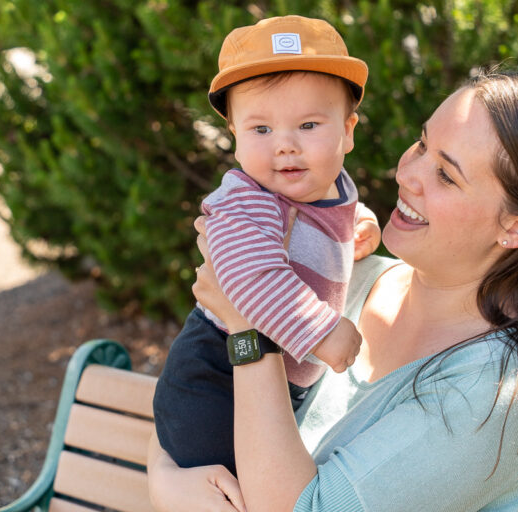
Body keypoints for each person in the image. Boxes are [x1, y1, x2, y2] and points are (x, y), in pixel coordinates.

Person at [149, 69, 518, 512]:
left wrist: (249, 329)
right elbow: (196, 396)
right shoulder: (348, 282)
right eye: (421, 144)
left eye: (446, 175)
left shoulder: (490, 397)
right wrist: (167, 482)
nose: (406, 173)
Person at [152, 15, 382, 477]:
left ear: (348, 131)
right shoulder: (246, 200)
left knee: (271, 474)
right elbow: (251, 276)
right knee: (243, 487)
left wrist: (361, 221)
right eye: (260, 130)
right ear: (234, 137)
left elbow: (331, 215)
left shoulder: (329, 185)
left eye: (309, 124)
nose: (285, 146)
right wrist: (320, 330)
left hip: (277, 375)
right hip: (217, 375)